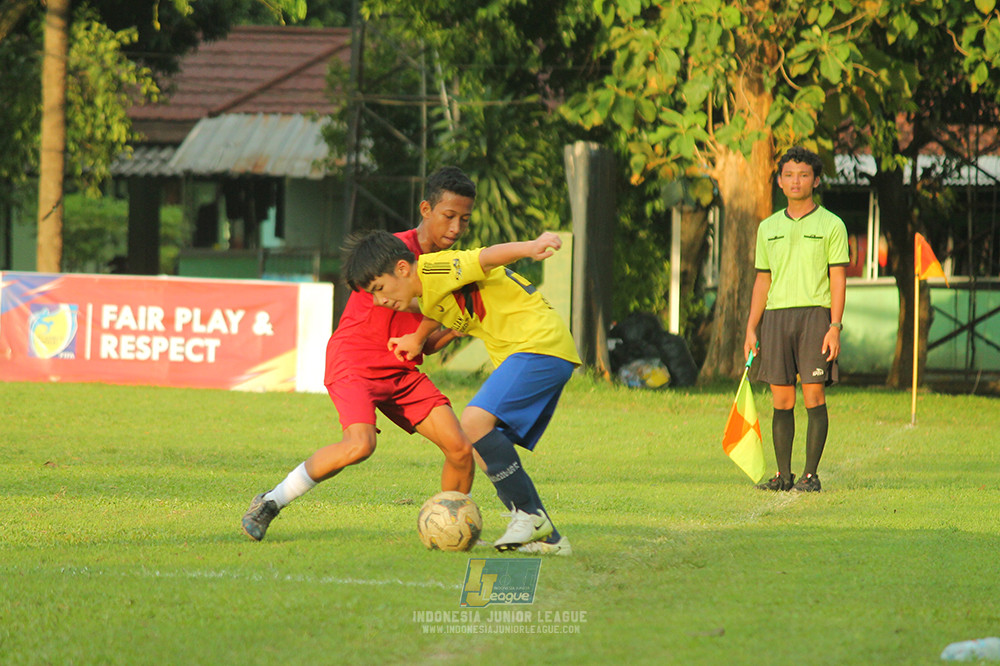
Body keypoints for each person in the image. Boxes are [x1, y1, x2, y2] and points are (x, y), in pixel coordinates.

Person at [241, 167, 477, 541]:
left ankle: (450, 529)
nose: (455, 228)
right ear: (426, 209)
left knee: (461, 448)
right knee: (361, 444)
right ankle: (270, 501)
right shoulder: (392, 253)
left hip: (400, 369)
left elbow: (425, 343)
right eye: (449, 216)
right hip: (355, 361)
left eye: (464, 220)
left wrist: (461, 324)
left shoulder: (447, 270)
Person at [343, 229, 580, 555]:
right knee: (480, 444)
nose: (379, 301)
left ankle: (527, 515)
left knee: (472, 422)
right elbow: (431, 306)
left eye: (379, 289)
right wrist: (416, 338)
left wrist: (531, 247)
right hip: (535, 352)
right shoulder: (431, 291)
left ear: (402, 268)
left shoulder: (435, 267)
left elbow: (484, 258)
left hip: (538, 346)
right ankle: (546, 538)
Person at [743, 146, 849, 493]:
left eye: (803, 175)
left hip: (815, 318)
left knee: (813, 395)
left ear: (815, 180)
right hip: (776, 319)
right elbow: (763, 280)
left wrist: (834, 326)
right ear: (779, 180)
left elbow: (837, 278)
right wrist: (751, 327)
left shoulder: (832, 225)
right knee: (781, 399)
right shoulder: (768, 227)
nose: (796, 181)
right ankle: (783, 475)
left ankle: (810, 475)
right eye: (789, 175)